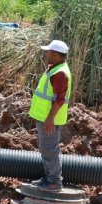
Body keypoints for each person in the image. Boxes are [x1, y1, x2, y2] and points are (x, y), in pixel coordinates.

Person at [29, 39, 72, 192]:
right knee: (45, 148)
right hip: (45, 117)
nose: (46, 53)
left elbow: (60, 99)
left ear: (55, 54)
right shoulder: (55, 68)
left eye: (48, 51)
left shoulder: (60, 73)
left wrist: (50, 119)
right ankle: (48, 178)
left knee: (50, 150)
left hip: (49, 119)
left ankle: (54, 182)